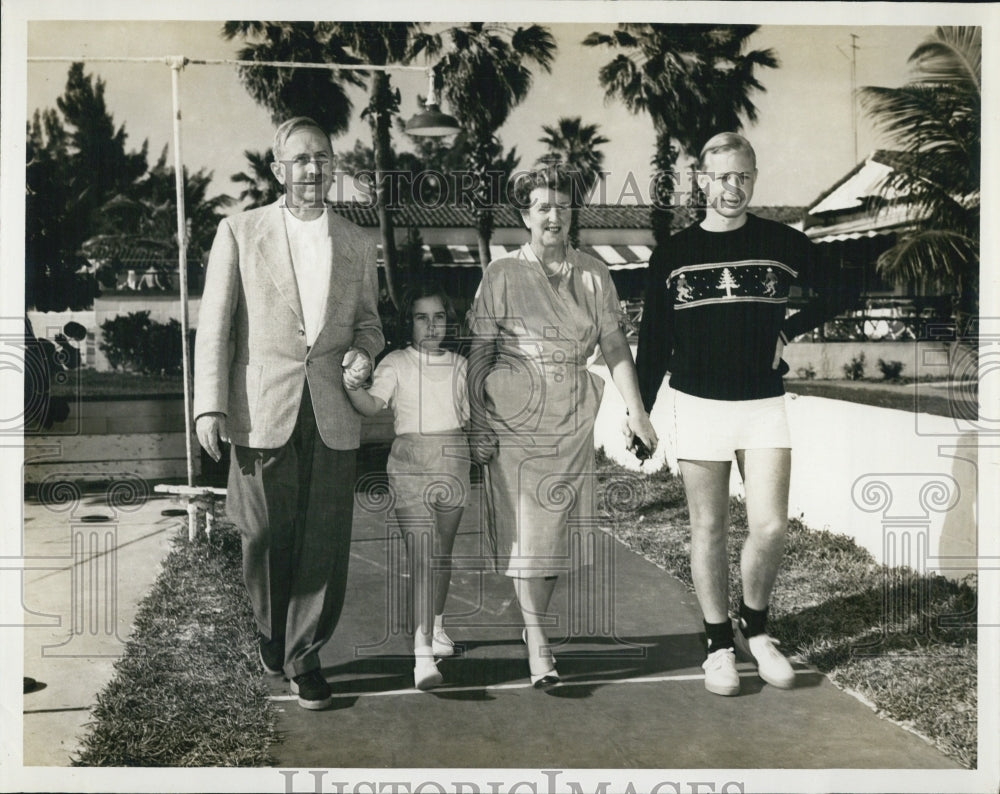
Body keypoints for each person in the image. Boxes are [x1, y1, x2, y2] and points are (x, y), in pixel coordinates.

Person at [635, 132, 857, 697]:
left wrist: (790, 329)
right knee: (708, 527)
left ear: (754, 179)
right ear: (701, 181)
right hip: (699, 404)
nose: (732, 188)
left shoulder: (782, 242)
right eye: (722, 177)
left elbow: (844, 286)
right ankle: (716, 644)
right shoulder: (673, 255)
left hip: (762, 403)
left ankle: (755, 631)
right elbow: (654, 343)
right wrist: (642, 413)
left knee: (769, 525)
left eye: (743, 176)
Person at [194, 117, 384, 711]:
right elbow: (216, 328)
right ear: (279, 169)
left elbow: (371, 323)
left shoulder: (357, 241)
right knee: (265, 534)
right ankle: (271, 633)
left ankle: (305, 657)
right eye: (300, 159)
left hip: (331, 410)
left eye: (322, 158)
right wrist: (208, 406)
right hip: (261, 408)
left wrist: (364, 351)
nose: (312, 169)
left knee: (324, 540)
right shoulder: (239, 231)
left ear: (333, 166)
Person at [469, 165, 658, 688]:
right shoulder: (501, 274)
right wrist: (477, 418)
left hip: (574, 414)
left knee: (553, 536)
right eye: (542, 207)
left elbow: (614, 344)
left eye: (562, 206)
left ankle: (533, 631)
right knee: (529, 534)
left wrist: (636, 409)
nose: (554, 216)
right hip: (513, 414)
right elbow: (480, 351)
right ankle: (540, 640)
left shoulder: (596, 273)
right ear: (525, 216)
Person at [344, 282, 470, 691]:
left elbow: (473, 418)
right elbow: (370, 405)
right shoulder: (395, 363)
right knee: (423, 558)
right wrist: (351, 385)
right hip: (409, 464)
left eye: (438, 317)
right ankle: (422, 655)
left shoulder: (460, 365)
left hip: (453, 459)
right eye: (421, 317)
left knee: (442, 554)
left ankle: (436, 628)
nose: (431, 326)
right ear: (408, 323)